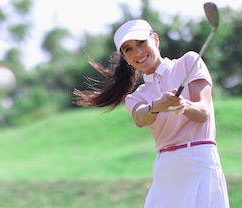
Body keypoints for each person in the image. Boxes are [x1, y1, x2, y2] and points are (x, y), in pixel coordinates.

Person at [73, 19, 229, 208]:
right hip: (167, 169)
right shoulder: (135, 97)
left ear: (155, 39)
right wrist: (157, 105)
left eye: (141, 43)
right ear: (125, 58)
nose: (138, 52)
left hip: (200, 161)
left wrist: (183, 106)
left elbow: (203, 112)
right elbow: (140, 117)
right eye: (128, 49)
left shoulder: (188, 62)